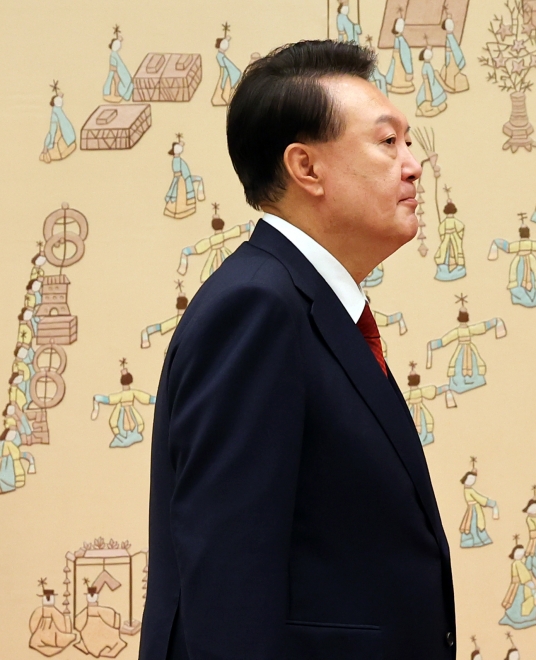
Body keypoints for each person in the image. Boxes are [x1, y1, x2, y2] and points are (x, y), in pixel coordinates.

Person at [139, 41, 456, 660]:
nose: (414, 165)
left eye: (408, 143)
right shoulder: (257, 307)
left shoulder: (304, 303)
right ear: (306, 167)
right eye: (387, 142)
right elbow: (228, 582)